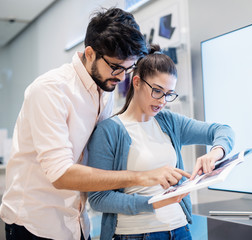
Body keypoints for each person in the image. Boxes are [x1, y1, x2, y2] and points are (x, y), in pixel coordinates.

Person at [0, 8, 190, 240]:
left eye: (127, 69)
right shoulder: (50, 90)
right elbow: (60, 175)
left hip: (78, 222)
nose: (121, 77)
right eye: (116, 67)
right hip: (35, 223)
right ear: (90, 53)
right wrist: (143, 176)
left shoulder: (104, 90)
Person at [86, 44, 235, 240]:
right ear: (137, 82)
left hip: (180, 230)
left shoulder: (169, 121)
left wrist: (215, 153)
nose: (162, 101)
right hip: (136, 234)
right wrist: (152, 202)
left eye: (169, 94)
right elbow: (98, 198)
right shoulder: (109, 131)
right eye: (157, 91)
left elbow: (223, 130)